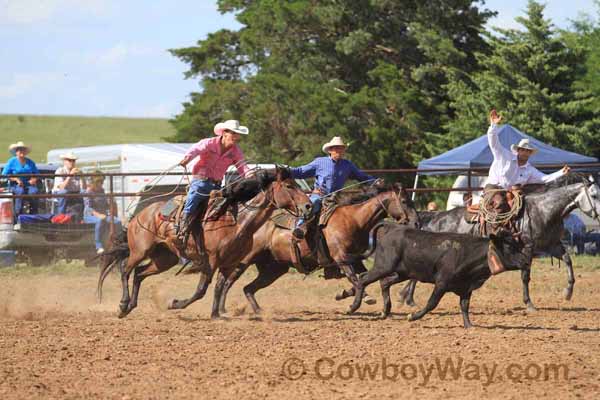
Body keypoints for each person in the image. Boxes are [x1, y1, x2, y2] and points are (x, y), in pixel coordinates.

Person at [176, 120, 251, 248]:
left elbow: (242, 166)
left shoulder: (235, 151)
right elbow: (195, 150)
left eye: (237, 134)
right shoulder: (209, 143)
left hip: (217, 185)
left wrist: (250, 175)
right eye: (233, 133)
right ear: (224, 133)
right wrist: (187, 159)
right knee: (194, 198)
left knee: (227, 205)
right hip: (201, 180)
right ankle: (182, 227)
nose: (236, 136)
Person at [289, 136, 378, 239]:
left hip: (337, 198)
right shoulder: (320, 162)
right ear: (330, 150)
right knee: (312, 204)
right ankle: (300, 226)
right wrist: (287, 171)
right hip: (320, 195)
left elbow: (362, 176)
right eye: (336, 148)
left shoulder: (347, 165)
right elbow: (300, 172)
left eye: (341, 148)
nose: (339, 151)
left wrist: (375, 181)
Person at [486, 109, 570, 191]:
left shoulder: (530, 170)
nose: (525, 153)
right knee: (499, 200)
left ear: (530, 154)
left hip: (510, 193)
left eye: (528, 151)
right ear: (518, 150)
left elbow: (544, 178)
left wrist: (561, 172)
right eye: (523, 150)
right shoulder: (504, 155)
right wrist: (493, 125)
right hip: (493, 187)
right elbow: (494, 143)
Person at [83, 172, 121, 254]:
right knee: (99, 221)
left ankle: (117, 242)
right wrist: (98, 215)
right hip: (89, 216)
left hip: (103, 215)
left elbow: (105, 204)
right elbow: (88, 208)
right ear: (94, 183)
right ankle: (98, 245)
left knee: (117, 221)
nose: (101, 185)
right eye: (99, 183)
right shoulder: (88, 192)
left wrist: (111, 202)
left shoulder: (102, 191)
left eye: (102, 183)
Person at [1, 141, 40, 220]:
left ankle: (34, 215)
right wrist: (15, 179)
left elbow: (37, 174)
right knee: (20, 191)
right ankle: (17, 216)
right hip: (15, 185)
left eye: (23, 150)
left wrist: (34, 179)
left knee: (34, 192)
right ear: (16, 152)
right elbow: (4, 174)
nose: (21, 152)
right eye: (19, 150)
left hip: (28, 184)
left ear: (25, 152)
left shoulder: (30, 162)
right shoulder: (11, 161)